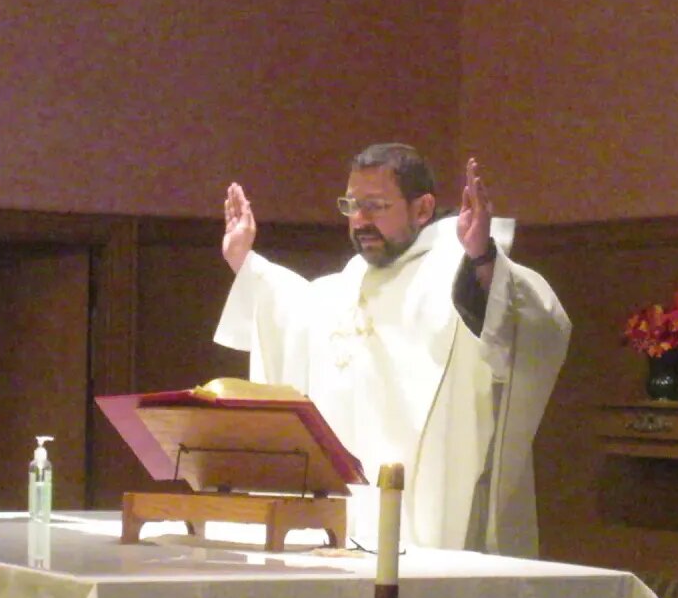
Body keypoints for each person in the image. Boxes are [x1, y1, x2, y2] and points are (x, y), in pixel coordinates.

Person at [213, 143, 571, 557]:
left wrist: (484, 259)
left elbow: (534, 327)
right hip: (347, 526)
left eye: (376, 206)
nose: (360, 220)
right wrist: (246, 263)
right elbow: (297, 313)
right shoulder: (351, 281)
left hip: (430, 524)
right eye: (351, 205)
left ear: (422, 209)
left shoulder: (456, 268)